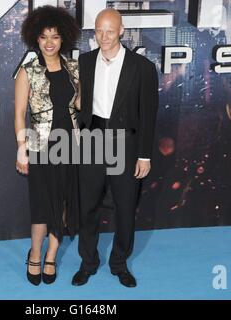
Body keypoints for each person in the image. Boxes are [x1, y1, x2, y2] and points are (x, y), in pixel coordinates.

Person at [72, 8, 159, 288]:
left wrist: (144, 155)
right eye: (99, 31)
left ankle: (120, 264)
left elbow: (148, 114)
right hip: (92, 141)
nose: (104, 37)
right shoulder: (84, 62)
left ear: (122, 30)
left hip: (127, 144)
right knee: (87, 207)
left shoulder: (142, 67)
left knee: (124, 208)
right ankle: (88, 262)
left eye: (110, 31)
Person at [14, 5, 81, 286]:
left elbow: (80, 105)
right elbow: (19, 114)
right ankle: (36, 254)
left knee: (64, 204)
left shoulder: (75, 68)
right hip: (41, 145)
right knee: (42, 205)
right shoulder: (27, 72)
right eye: (44, 37)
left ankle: (52, 255)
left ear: (63, 37)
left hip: (73, 144)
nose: (50, 42)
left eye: (55, 36)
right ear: (36, 40)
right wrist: (22, 148)